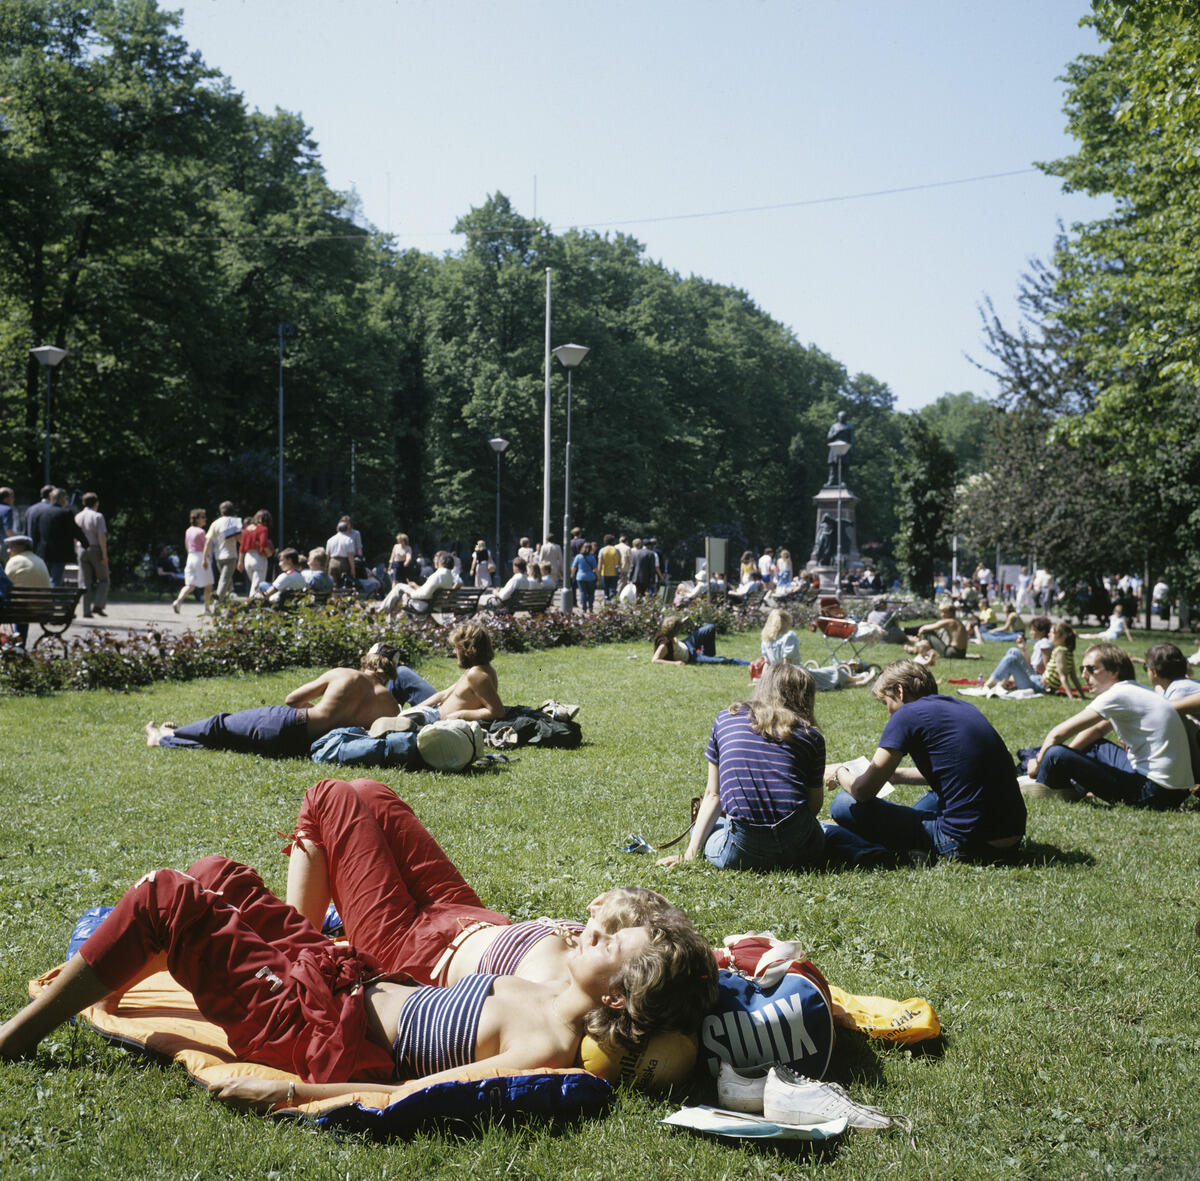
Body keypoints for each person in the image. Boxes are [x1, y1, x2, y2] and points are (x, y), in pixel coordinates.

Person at [0, 850, 718, 1109]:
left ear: (622, 993)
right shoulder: (557, 978)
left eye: (625, 938)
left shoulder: (548, 1043)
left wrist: (291, 1090)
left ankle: (17, 1037)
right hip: (339, 976)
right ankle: (120, 980)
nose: (611, 920)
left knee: (168, 893)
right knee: (223, 875)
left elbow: (405, 1093)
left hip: (315, 1031)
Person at [283, 780, 716, 1006]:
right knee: (368, 793)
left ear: (619, 998)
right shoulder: (609, 962)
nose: (600, 935)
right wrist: (613, 911)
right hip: (466, 912)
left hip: (412, 951)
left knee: (328, 798)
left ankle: (291, 956)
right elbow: (662, 928)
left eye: (611, 941)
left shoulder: (564, 994)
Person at [827, 660, 1026, 864]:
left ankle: (907, 843)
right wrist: (897, 775)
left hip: (966, 842)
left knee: (843, 804)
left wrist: (838, 772)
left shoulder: (906, 714)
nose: (889, 714)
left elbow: (862, 791)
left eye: (887, 704)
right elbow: (959, 770)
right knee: (933, 797)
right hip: (1012, 834)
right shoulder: (961, 705)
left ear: (900, 690)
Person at [657, 663, 825, 871]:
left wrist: (690, 854)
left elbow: (713, 795)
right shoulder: (811, 736)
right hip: (800, 850)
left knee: (702, 829)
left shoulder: (726, 719)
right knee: (826, 829)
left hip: (742, 850)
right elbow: (813, 807)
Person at [144, 649, 401, 757]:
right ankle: (172, 736)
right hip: (304, 747)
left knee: (220, 725)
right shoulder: (391, 705)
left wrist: (322, 710)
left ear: (368, 661)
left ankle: (165, 735)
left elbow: (293, 700)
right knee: (230, 741)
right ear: (391, 673)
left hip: (287, 726)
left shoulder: (345, 674)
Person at [1025, 643, 1193, 809]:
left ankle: (1044, 785)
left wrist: (1038, 764)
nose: (1084, 675)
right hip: (1174, 791)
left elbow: (1057, 734)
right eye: (1082, 669)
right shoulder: (1136, 690)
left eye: (1091, 669)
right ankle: (1071, 784)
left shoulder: (1117, 695)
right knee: (1093, 746)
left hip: (1152, 793)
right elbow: (1096, 731)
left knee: (1055, 754)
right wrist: (1073, 757)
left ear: (1115, 671)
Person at [385, 622, 504, 728]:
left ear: (468, 650)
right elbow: (444, 694)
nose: (454, 652)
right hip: (435, 710)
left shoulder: (477, 675)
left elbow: (497, 712)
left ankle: (383, 720)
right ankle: (391, 717)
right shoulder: (475, 670)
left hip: (436, 721)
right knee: (401, 673)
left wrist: (459, 715)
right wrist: (414, 709)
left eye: (456, 648)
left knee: (394, 722)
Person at [981, 616, 1053, 694]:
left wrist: (1047, 686)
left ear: (1042, 632)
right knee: (1013, 650)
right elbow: (1030, 666)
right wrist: (1023, 648)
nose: (1030, 632)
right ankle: (1001, 684)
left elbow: (1048, 667)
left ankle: (989, 685)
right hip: (1032, 677)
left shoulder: (1045, 644)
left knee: (1011, 659)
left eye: (1033, 630)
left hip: (1037, 684)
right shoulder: (1040, 643)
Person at [375, 552, 455, 616]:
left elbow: (424, 595)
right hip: (433, 605)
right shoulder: (449, 576)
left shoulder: (438, 575)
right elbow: (427, 592)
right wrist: (415, 587)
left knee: (400, 594)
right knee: (399, 590)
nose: (436, 561)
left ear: (442, 562)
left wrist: (411, 593)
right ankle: (384, 615)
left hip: (424, 606)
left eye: (438, 560)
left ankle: (381, 613)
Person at [4, 535, 50, 647]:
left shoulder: (14, 561)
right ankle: (19, 647)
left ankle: (17, 646)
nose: (8, 550)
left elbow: (4, 586)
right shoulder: (40, 560)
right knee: (21, 607)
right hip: (41, 609)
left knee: (18, 607)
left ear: (21, 547)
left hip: (21, 610)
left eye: (11, 547)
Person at [651, 615, 749, 667]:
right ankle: (749, 663)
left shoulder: (668, 632)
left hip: (686, 644)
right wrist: (675, 663)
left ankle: (708, 656)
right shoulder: (664, 645)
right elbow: (654, 660)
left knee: (710, 628)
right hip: (690, 656)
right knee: (722, 660)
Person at [39, 488, 87, 587]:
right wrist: (86, 544)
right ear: (62, 499)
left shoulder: (43, 513)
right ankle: (54, 601)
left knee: (47, 578)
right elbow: (75, 531)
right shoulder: (65, 513)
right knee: (56, 579)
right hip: (59, 553)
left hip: (44, 552)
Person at [171, 507, 213, 615]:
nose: (205, 519)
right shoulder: (201, 531)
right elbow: (206, 547)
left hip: (190, 557)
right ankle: (207, 608)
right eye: (203, 517)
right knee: (208, 585)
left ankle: (178, 602)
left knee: (190, 585)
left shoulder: (188, 531)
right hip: (200, 557)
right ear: (197, 519)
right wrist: (205, 559)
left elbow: (187, 546)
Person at [74, 491, 109, 618]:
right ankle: (98, 605)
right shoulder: (98, 516)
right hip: (95, 549)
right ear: (96, 503)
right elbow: (101, 536)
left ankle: (85, 610)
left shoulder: (77, 516)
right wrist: (104, 554)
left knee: (84, 582)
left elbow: (75, 536)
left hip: (81, 550)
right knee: (104, 579)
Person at [206, 501, 242, 601]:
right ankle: (216, 604)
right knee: (225, 580)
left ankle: (231, 600)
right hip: (231, 556)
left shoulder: (215, 523)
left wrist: (205, 558)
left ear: (221, 511)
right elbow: (241, 539)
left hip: (218, 557)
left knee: (227, 579)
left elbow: (208, 542)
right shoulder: (234, 522)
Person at [1039, 621, 1085, 699]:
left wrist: (1073, 697)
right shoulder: (1066, 652)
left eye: (1052, 633)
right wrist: (1078, 696)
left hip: (1040, 685)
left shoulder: (1060, 651)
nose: (1048, 634)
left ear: (1063, 637)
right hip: (1041, 684)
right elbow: (1072, 677)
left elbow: (1065, 676)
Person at [238, 510, 273, 592]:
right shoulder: (263, 529)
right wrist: (269, 554)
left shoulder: (247, 529)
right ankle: (252, 603)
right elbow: (263, 543)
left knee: (254, 584)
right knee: (257, 586)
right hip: (259, 558)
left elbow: (242, 547)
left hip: (247, 558)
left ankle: (253, 602)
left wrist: (240, 561)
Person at [325, 520, 358, 586]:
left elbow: (327, 555)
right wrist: (353, 569)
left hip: (332, 562)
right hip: (344, 562)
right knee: (344, 583)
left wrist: (326, 567)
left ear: (337, 529)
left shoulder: (330, 540)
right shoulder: (349, 540)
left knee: (333, 583)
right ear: (347, 529)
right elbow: (350, 555)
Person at [571, 541, 598, 612]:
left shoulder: (578, 557)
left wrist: (572, 575)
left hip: (580, 577)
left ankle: (584, 607)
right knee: (591, 593)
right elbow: (595, 569)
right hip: (590, 577)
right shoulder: (592, 557)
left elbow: (574, 567)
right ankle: (591, 607)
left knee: (582, 592)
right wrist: (599, 577)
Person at [597, 535, 620, 601]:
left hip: (604, 573)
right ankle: (612, 606)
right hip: (614, 573)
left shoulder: (602, 550)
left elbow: (600, 564)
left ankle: (606, 605)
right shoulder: (616, 550)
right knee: (613, 590)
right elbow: (619, 563)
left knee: (605, 591)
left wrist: (598, 575)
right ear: (613, 541)